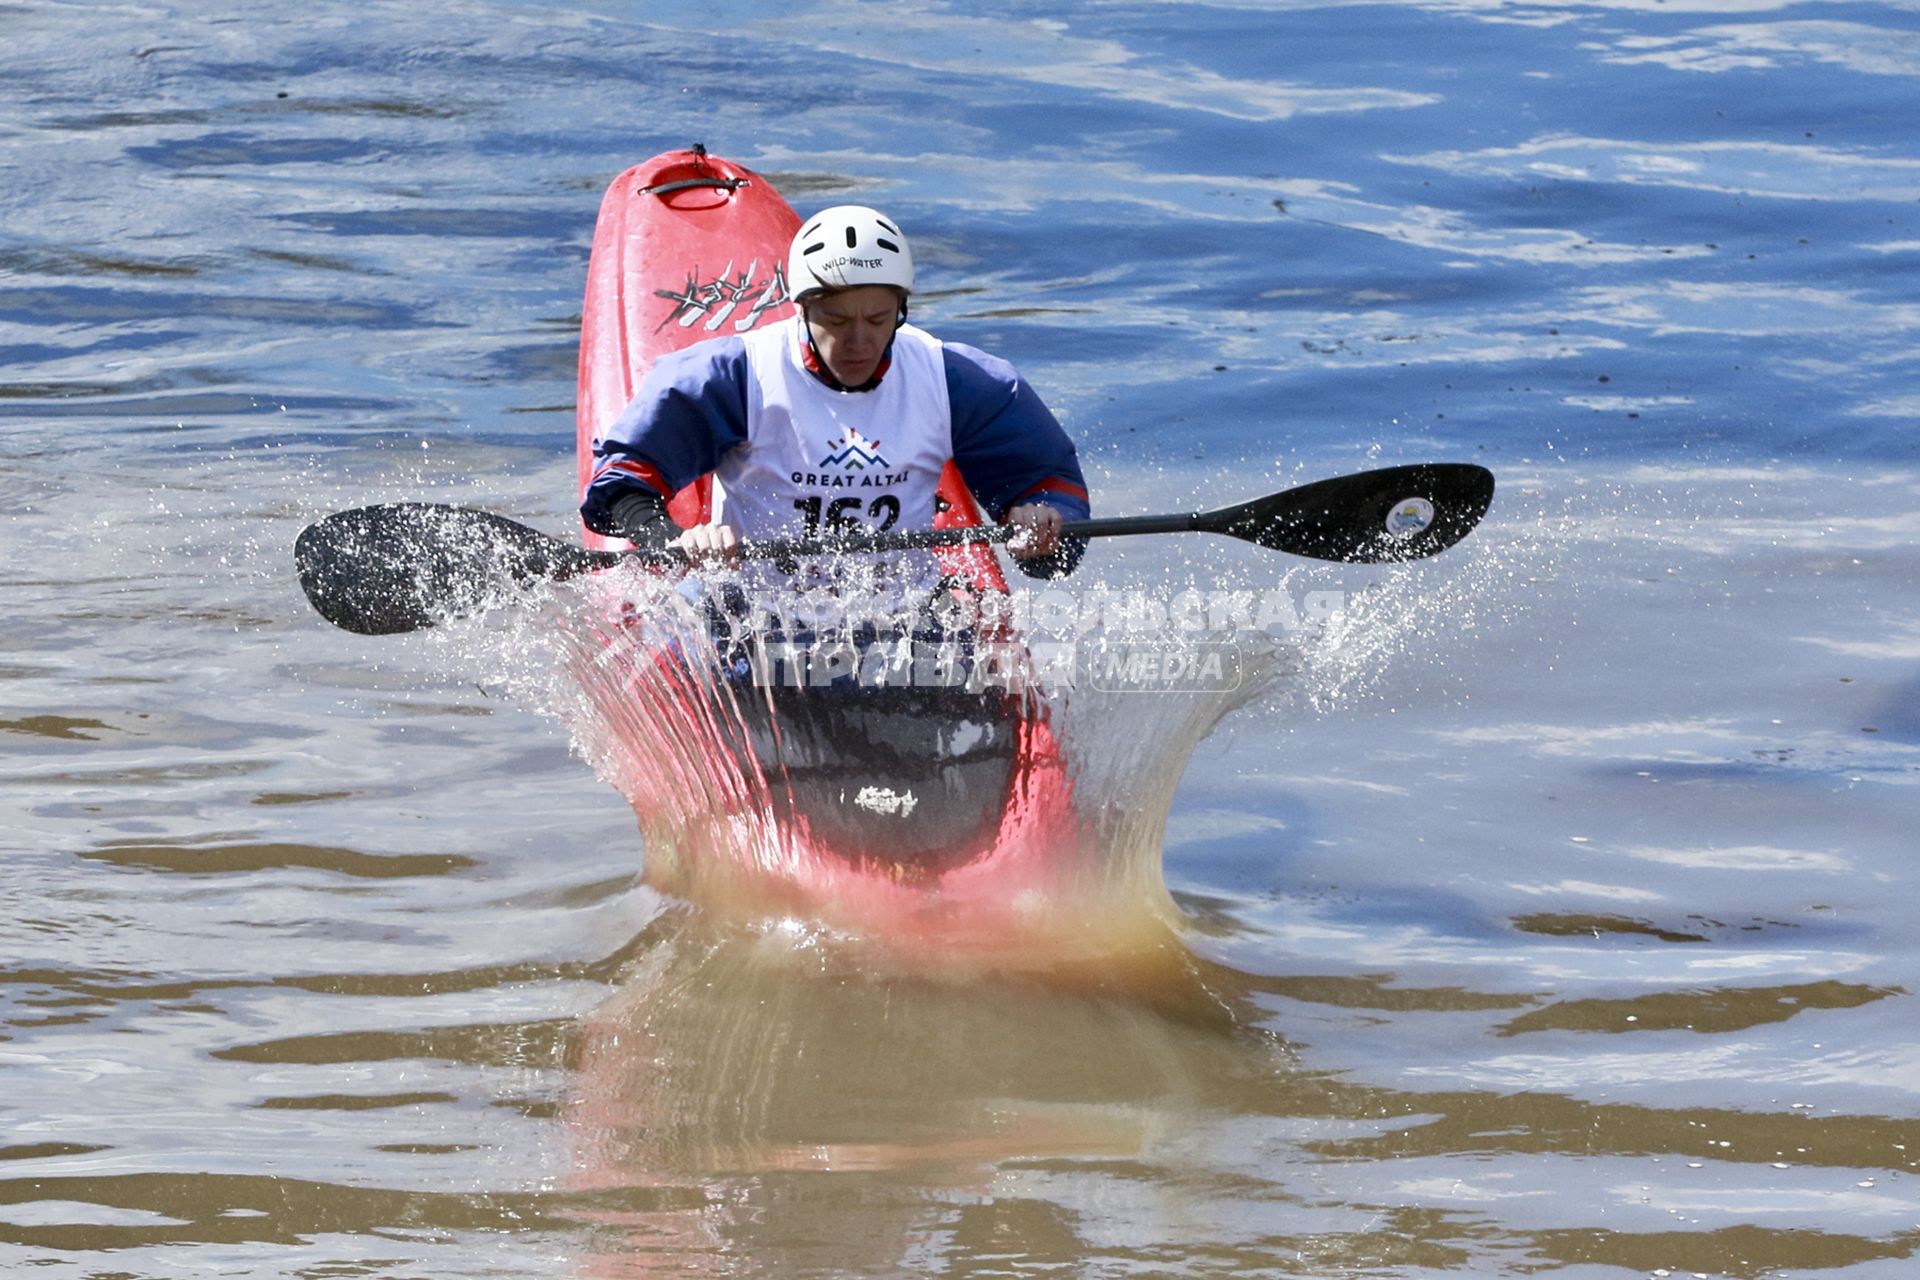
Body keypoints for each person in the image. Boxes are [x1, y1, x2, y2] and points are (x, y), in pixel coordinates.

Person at [579, 205, 1090, 608]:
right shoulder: (734, 376)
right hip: (749, 615)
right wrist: (674, 538)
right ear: (801, 308)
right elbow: (624, 483)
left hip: (905, 615)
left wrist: (1042, 524)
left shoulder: (959, 382)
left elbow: (1051, 485)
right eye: (837, 319)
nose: (859, 341)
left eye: (877, 317)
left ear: (901, 310)